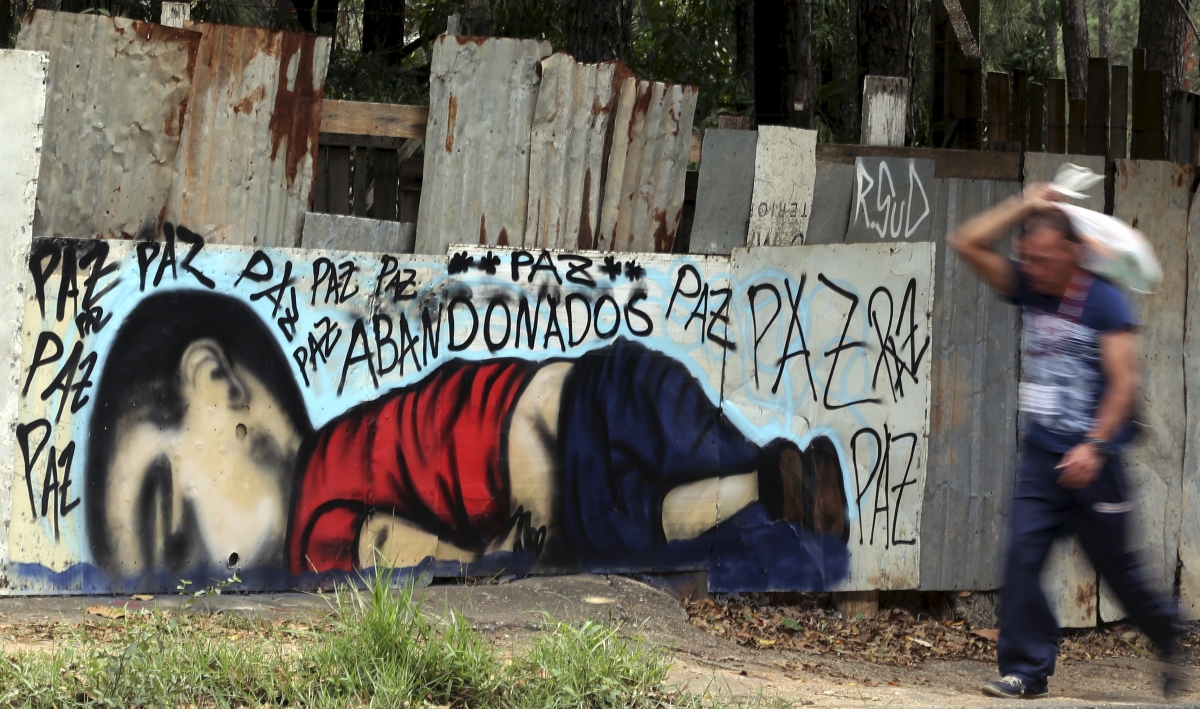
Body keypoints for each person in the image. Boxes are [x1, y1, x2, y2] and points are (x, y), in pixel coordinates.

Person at [86, 290, 851, 589]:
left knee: (644, 517)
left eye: (168, 517)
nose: (183, 562)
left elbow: (396, 544)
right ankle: (769, 478)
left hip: (563, 464)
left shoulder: (314, 525)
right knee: (671, 469)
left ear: (218, 384)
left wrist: (483, 563)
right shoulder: (350, 454)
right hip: (590, 398)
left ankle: (766, 481)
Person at [951, 183, 1184, 700]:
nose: (1033, 269)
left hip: (1095, 462)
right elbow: (965, 242)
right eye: (1028, 259)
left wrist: (1094, 445)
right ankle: (1026, 670)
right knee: (1021, 557)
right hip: (1043, 458)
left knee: (1119, 572)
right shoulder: (1032, 286)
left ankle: (1167, 635)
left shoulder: (1104, 301)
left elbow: (1124, 385)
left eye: (1045, 260)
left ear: (1075, 255)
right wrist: (1026, 205)